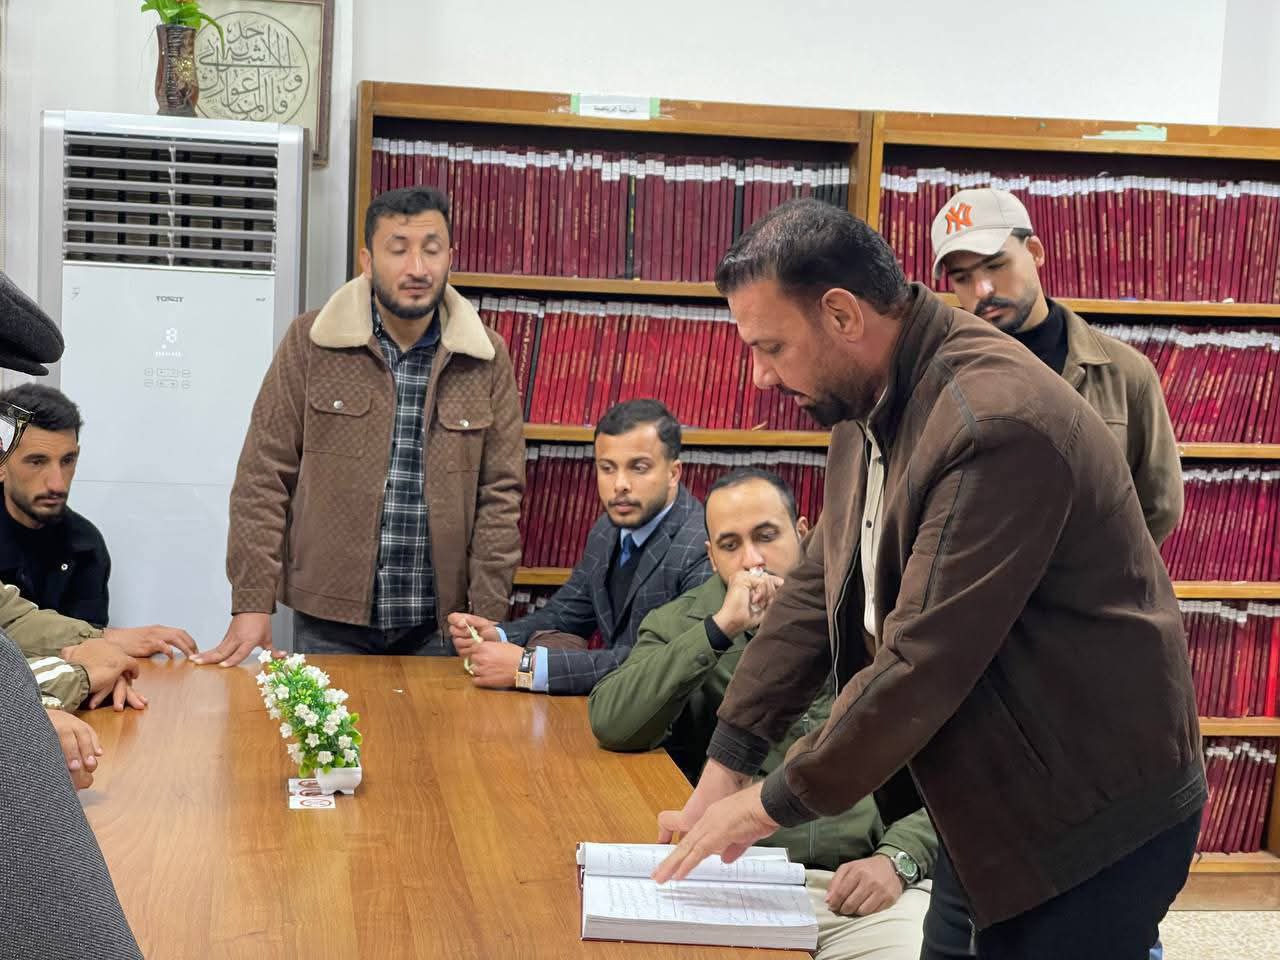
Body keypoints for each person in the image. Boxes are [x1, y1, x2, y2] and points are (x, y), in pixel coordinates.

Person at [651, 199, 1205, 960]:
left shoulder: (993, 423)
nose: (761, 375)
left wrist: (760, 808)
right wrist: (727, 763)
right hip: (980, 797)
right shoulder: (865, 400)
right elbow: (817, 590)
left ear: (842, 314)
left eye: (772, 346)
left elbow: (920, 663)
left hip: (1088, 813)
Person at [590, 467, 935, 960]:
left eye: (766, 536)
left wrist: (899, 859)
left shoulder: (876, 615)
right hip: (734, 877)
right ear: (710, 556)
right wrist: (718, 629)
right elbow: (613, 722)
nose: (751, 560)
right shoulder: (682, 622)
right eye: (730, 546)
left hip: (865, 883)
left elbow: (964, 766)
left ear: (804, 533)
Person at [199, 186, 525, 665]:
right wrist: (251, 600)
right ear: (368, 261)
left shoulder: (485, 356)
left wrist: (489, 610)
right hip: (330, 621)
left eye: (432, 250)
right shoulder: (312, 343)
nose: (417, 268)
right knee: (326, 720)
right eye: (399, 249)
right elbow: (262, 476)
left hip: (443, 624)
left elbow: (501, 494)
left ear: (450, 258)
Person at [0, 269, 142, 957]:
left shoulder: (85, 542)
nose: (55, 481)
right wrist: (32, 714)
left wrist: (101, 649)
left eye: (69, 461)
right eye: (35, 459)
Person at [931, 187, 1182, 544]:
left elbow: (1159, 505)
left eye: (996, 265)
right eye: (962, 277)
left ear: (1035, 251)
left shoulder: (1125, 372)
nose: (983, 289)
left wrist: (1102, 571)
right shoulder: (938, 378)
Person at [448, 399, 710, 694]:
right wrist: (498, 635)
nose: (620, 484)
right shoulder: (606, 529)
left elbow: (665, 663)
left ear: (674, 473)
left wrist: (529, 667)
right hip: (616, 709)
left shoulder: (701, 547)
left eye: (638, 468)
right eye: (607, 468)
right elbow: (566, 613)